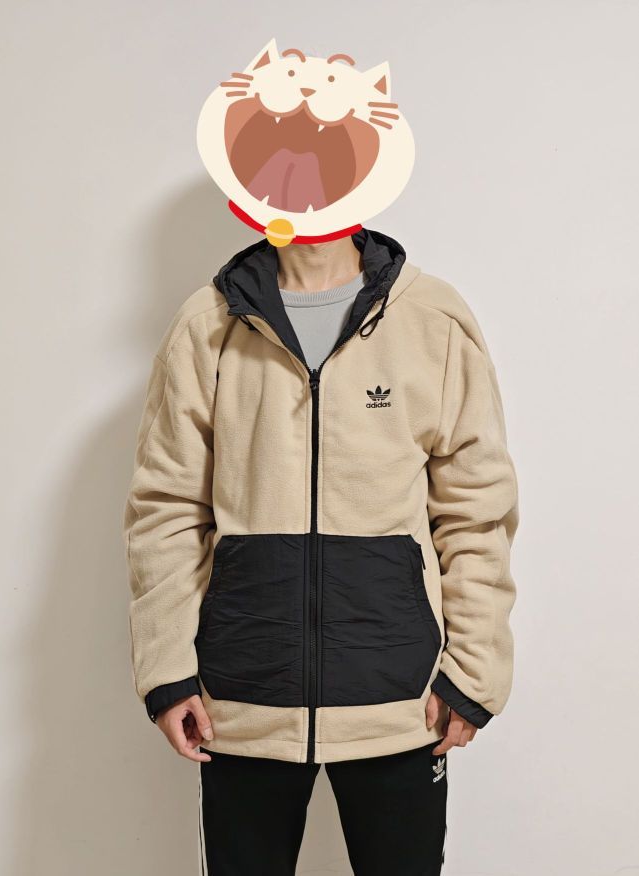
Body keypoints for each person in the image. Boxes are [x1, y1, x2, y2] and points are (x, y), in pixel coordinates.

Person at [123, 226, 519, 875]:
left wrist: (474, 671)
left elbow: (476, 513)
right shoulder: (206, 325)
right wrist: (167, 671)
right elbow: (167, 508)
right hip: (243, 698)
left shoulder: (432, 320)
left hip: (401, 698)